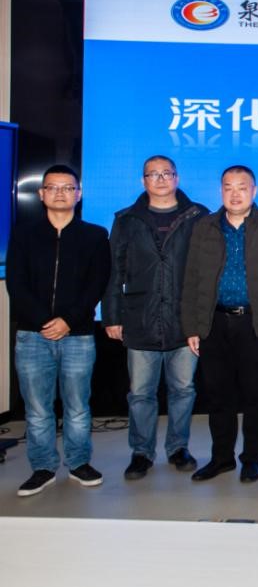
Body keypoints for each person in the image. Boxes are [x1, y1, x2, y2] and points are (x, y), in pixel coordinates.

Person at [8, 164, 110, 497]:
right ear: (41, 194)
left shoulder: (95, 236)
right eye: (53, 187)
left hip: (78, 334)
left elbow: (97, 284)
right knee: (38, 409)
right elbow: (16, 284)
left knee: (77, 406)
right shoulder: (23, 235)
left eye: (68, 188)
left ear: (79, 194)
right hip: (32, 335)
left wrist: (68, 320)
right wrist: (43, 321)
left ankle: (79, 463)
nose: (60, 193)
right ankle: (43, 467)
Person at [104, 155, 207, 481]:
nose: (160, 179)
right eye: (153, 174)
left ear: (177, 178)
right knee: (140, 394)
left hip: (184, 321)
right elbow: (113, 271)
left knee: (183, 390)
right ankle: (141, 452)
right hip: (140, 319)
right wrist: (111, 315)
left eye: (166, 173)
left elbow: (207, 272)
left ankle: (178, 447)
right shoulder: (127, 219)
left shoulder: (198, 216)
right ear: (143, 181)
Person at [182, 165, 258, 483]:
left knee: (255, 395)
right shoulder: (204, 226)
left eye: (242, 187)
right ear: (221, 191)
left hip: (257, 323)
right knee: (218, 395)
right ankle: (222, 458)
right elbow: (191, 278)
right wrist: (192, 327)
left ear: (254, 191)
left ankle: (251, 459)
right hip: (214, 323)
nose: (235, 193)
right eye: (228, 187)